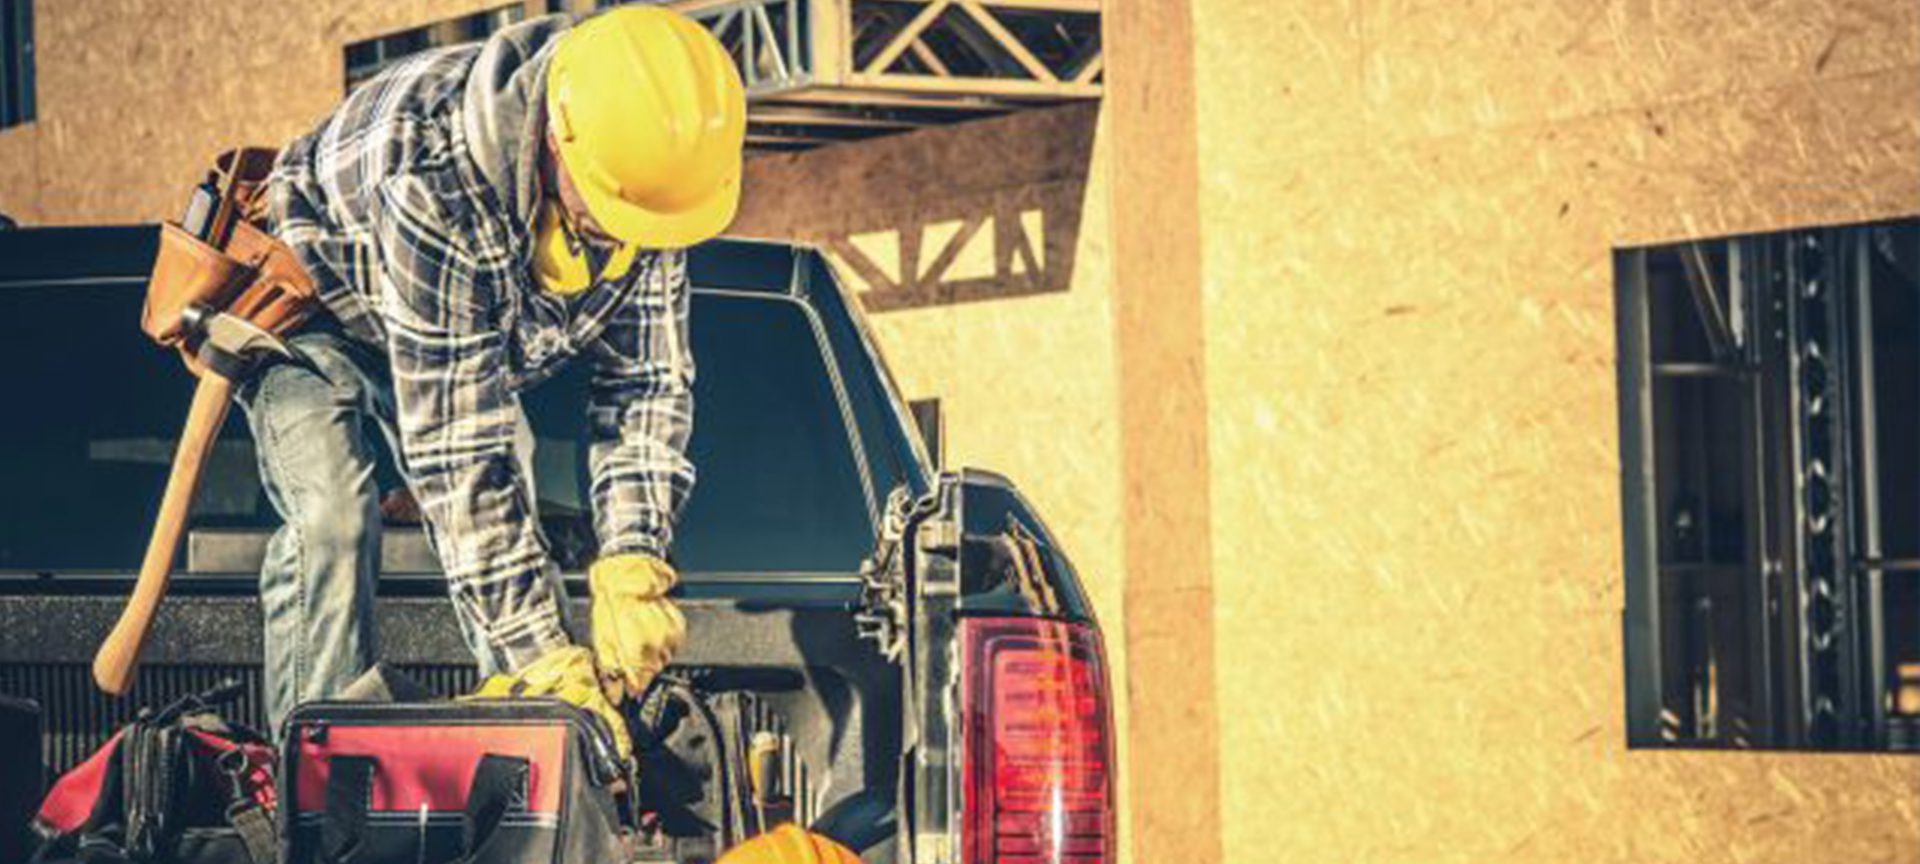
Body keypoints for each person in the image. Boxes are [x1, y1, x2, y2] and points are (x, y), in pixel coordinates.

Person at [247, 6, 745, 753]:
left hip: (456, 319)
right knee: (335, 518)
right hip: (319, 304)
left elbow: (646, 385)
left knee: (511, 497)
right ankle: (313, 773)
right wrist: (544, 658)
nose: (632, 241)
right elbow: (460, 455)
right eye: (613, 214)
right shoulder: (434, 180)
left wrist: (633, 555)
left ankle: (530, 767)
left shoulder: (647, 180)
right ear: (557, 137)